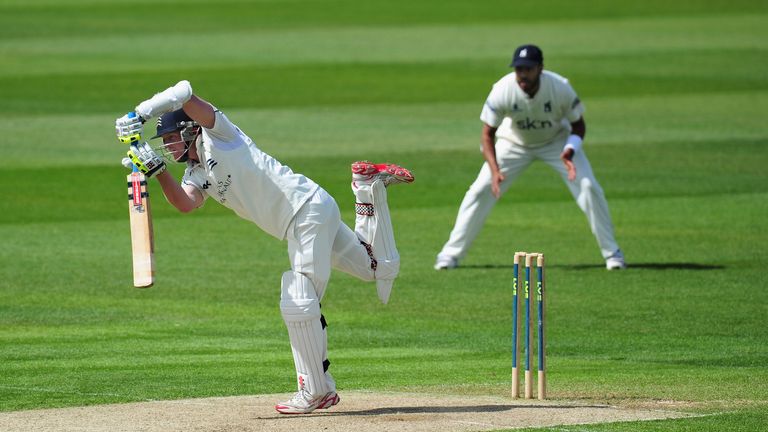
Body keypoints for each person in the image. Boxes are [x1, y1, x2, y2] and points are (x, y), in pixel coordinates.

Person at [114, 80, 414, 414]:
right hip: (312, 210)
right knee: (376, 269)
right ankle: (367, 187)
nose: (168, 148)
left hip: (303, 211)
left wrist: (140, 113)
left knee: (298, 297)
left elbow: (184, 91)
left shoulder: (220, 134)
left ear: (189, 131)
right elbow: (185, 204)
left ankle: (316, 391)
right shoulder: (194, 174)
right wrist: (156, 172)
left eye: (170, 139)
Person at [434, 45, 625, 271]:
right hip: (513, 143)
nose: (522, 74)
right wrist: (495, 171)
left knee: (588, 186)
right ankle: (450, 254)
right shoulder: (503, 89)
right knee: (479, 190)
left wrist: (570, 150)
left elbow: (579, 125)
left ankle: (612, 253)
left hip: (557, 143)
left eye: (528, 69)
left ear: (540, 69)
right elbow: (487, 135)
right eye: (518, 69)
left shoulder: (560, 87)